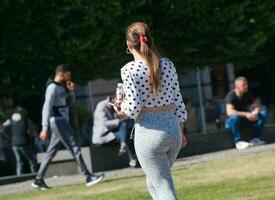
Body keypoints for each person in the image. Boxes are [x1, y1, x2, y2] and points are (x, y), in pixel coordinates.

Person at [112, 22, 187, 200]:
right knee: (155, 182)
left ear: (129, 45)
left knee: (161, 185)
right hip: (173, 130)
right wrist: (181, 132)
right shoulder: (168, 65)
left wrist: (120, 107)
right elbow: (178, 101)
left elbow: (133, 108)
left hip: (149, 134)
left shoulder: (129, 69)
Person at [32, 64, 103, 190]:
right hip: (58, 122)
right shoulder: (52, 88)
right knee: (74, 146)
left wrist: (71, 92)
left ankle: (38, 179)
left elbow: (69, 105)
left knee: (51, 151)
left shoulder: (61, 87)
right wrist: (44, 127)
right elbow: (46, 107)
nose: (69, 77)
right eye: (68, 74)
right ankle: (88, 176)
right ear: (61, 73)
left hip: (60, 122)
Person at [92, 96, 137, 167]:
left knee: (126, 129)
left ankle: (123, 146)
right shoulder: (101, 106)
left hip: (112, 133)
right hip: (103, 136)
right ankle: (131, 158)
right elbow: (105, 124)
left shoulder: (113, 108)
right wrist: (120, 120)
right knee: (126, 132)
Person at [225, 76, 267, 150]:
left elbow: (256, 107)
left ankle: (254, 139)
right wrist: (247, 114)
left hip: (244, 120)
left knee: (263, 114)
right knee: (235, 117)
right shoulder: (231, 96)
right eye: (244, 85)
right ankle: (238, 142)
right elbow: (230, 112)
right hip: (231, 122)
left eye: (246, 84)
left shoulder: (247, 94)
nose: (246, 86)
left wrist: (255, 113)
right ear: (237, 86)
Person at [2, 107, 37, 175]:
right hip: (24, 142)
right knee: (31, 160)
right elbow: (31, 132)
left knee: (19, 161)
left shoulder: (10, 120)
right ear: (23, 113)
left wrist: (9, 137)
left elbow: (2, 129)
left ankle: (19, 177)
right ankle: (34, 175)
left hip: (14, 143)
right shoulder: (26, 120)